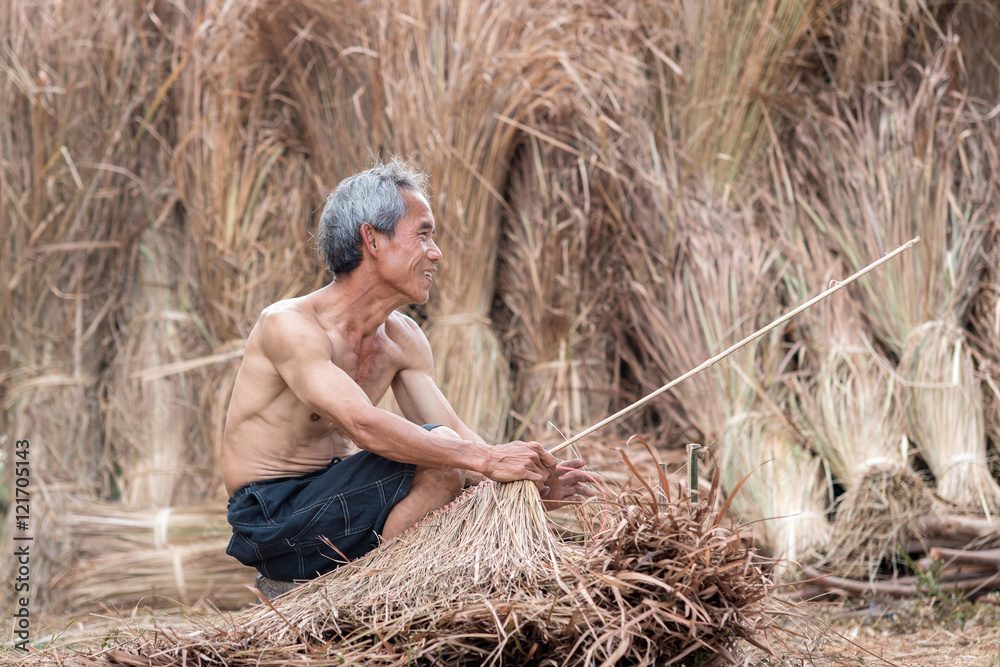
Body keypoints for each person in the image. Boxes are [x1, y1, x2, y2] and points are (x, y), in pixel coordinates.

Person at [222, 159, 594, 592]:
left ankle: (366, 592)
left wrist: (529, 485)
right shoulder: (289, 325)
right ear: (372, 239)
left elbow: (454, 431)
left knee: (446, 455)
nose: (435, 252)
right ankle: (370, 596)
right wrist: (489, 461)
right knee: (447, 457)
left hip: (344, 504)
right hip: (271, 514)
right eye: (423, 233)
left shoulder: (404, 337)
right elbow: (363, 425)